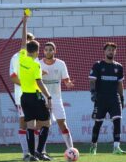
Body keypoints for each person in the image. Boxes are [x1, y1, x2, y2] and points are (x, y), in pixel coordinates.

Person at [18, 15, 52, 161]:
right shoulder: (36, 64)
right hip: (35, 96)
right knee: (46, 123)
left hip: (24, 96)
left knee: (30, 125)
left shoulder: (21, 58)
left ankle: (32, 155)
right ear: (37, 51)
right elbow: (39, 82)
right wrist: (48, 96)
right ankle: (39, 151)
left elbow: (23, 42)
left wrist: (24, 23)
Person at [88, 42, 126, 155]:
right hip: (101, 98)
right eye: (109, 49)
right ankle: (93, 146)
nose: (111, 51)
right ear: (104, 51)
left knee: (117, 121)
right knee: (98, 123)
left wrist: (122, 97)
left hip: (114, 98)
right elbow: (92, 80)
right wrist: (93, 92)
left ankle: (116, 147)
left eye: (113, 50)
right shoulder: (98, 65)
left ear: (115, 52)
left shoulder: (119, 67)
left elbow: (120, 84)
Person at [39, 42, 74, 149]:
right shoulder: (38, 64)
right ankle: (40, 151)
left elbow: (66, 79)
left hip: (56, 98)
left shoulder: (61, 64)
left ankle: (71, 149)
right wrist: (40, 74)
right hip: (42, 99)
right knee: (42, 126)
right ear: (43, 51)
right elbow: (34, 81)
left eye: (51, 49)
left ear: (55, 51)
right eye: (46, 50)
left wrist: (68, 83)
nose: (48, 51)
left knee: (62, 123)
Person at [10, 30, 36, 161]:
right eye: (27, 40)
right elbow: (13, 77)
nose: (29, 43)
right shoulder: (16, 57)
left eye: (31, 40)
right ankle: (26, 153)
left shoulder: (35, 58)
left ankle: (37, 152)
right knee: (24, 123)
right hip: (22, 96)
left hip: (36, 96)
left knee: (36, 124)